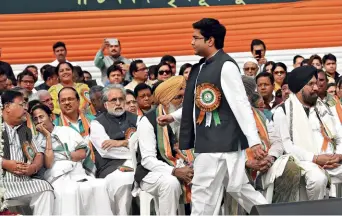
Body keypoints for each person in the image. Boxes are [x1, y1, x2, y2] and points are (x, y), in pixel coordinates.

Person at [165, 18, 268, 214]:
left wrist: (254, 141)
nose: (192, 42)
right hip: (211, 140)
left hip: (218, 141)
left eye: (196, 38)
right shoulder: (202, 67)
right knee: (238, 188)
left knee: (203, 191)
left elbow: (240, 104)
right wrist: (174, 117)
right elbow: (201, 104)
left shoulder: (226, 66)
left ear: (210, 40)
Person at [272, 66, 342, 200]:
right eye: (311, 84)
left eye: (316, 83)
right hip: (304, 162)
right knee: (317, 178)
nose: (316, 87)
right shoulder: (283, 112)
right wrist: (315, 158)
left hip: (332, 161)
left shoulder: (325, 108)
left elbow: (339, 136)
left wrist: (338, 156)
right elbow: (287, 146)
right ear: (299, 88)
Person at [31, 104, 113, 215]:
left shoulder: (67, 131)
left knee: (100, 186)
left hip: (77, 171)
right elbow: (49, 163)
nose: (39, 121)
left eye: (41, 117)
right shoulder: (35, 141)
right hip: (56, 176)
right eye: (35, 119)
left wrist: (61, 155)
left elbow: (82, 153)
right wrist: (48, 137)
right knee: (70, 191)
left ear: (51, 117)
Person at [136, 75, 193, 215]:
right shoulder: (148, 121)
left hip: (183, 165)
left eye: (184, 97)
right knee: (171, 183)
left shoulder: (186, 117)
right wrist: (174, 171)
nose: (182, 102)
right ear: (166, 101)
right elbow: (148, 160)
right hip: (151, 172)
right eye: (178, 98)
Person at [242, 76, 301, 203]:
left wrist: (271, 157)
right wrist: (247, 162)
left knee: (291, 168)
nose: (244, 98)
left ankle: (282, 211)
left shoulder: (260, 115)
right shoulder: (224, 119)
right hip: (241, 168)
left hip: (266, 165)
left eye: (247, 95)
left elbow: (277, 141)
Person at [1, 90, 54, 215]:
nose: (26, 108)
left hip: (23, 183)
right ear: (8, 107)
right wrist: (5, 163)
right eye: (22, 104)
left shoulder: (26, 131)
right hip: (2, 183)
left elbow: (39, 154)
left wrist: (34, 167)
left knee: (45, 188)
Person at [90, 84, 136, 215]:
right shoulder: (97, 123)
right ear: (105, 104)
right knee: (124, 180)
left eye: (121, 99)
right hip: (110, 167)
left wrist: (120, 142)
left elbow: (145, 144)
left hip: (138, 164)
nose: (118, 103)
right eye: (113, 100)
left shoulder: (136, 119)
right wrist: (132, 146)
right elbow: (107, 151)